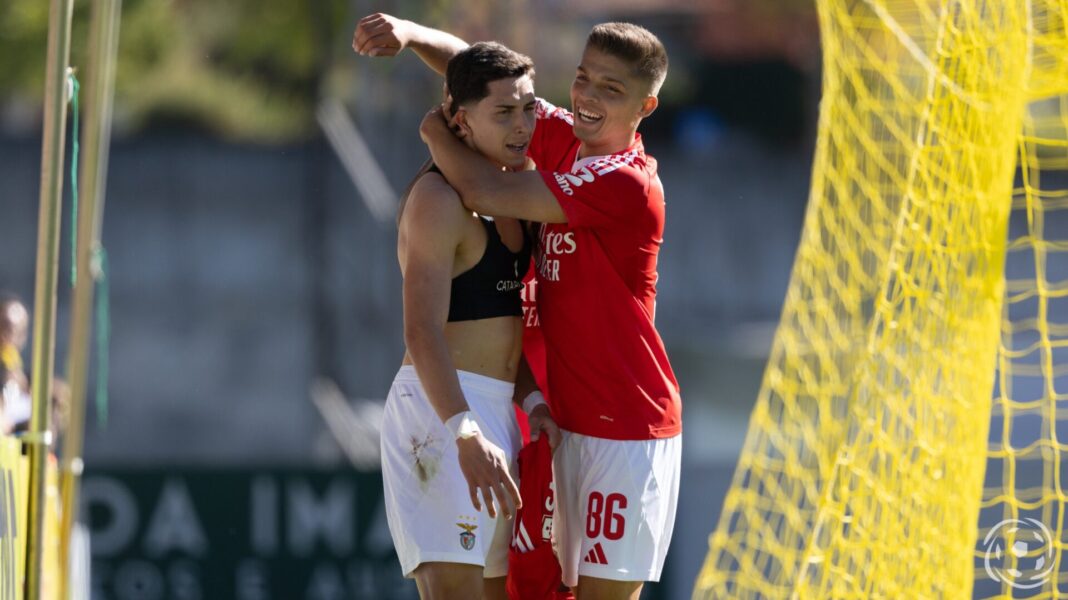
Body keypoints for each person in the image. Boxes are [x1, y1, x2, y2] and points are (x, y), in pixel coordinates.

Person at [355, 15, 682, 599]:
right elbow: (482, 73)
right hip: (551, 423)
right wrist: (408, 33)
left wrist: (435, 131)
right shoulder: (557, 139)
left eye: (612, 89)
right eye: (583, 78)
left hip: (624, 426)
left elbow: (486, 186)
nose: (585, 97)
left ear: (646, 107)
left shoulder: (627, 181)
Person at [378, 41, 561, 600]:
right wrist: (463, 430)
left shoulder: (509, 189)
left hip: (494, 414)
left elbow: (500, 327)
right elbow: (421, 330)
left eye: (528, 108)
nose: (523, 125)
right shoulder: (437, 199)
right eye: (503, 112)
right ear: (459, 119)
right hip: (441, 418)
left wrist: (532, 403)